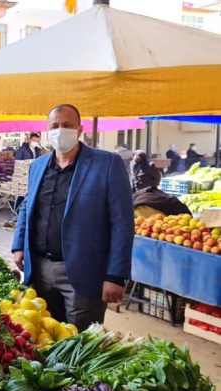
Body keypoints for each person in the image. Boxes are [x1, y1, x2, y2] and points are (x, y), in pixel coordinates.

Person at [11, 104, 134, 332]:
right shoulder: (38, 166)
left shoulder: (106, 164)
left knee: (80, 344)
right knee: (46, 335)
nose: (60, 130)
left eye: (67, 125)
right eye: (55, 126)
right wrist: (19, 245)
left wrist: (116, 275)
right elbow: (28, 206)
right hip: (39, 268)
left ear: (79, 129)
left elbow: (122, 223)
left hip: (83, 271)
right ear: (48, 131)